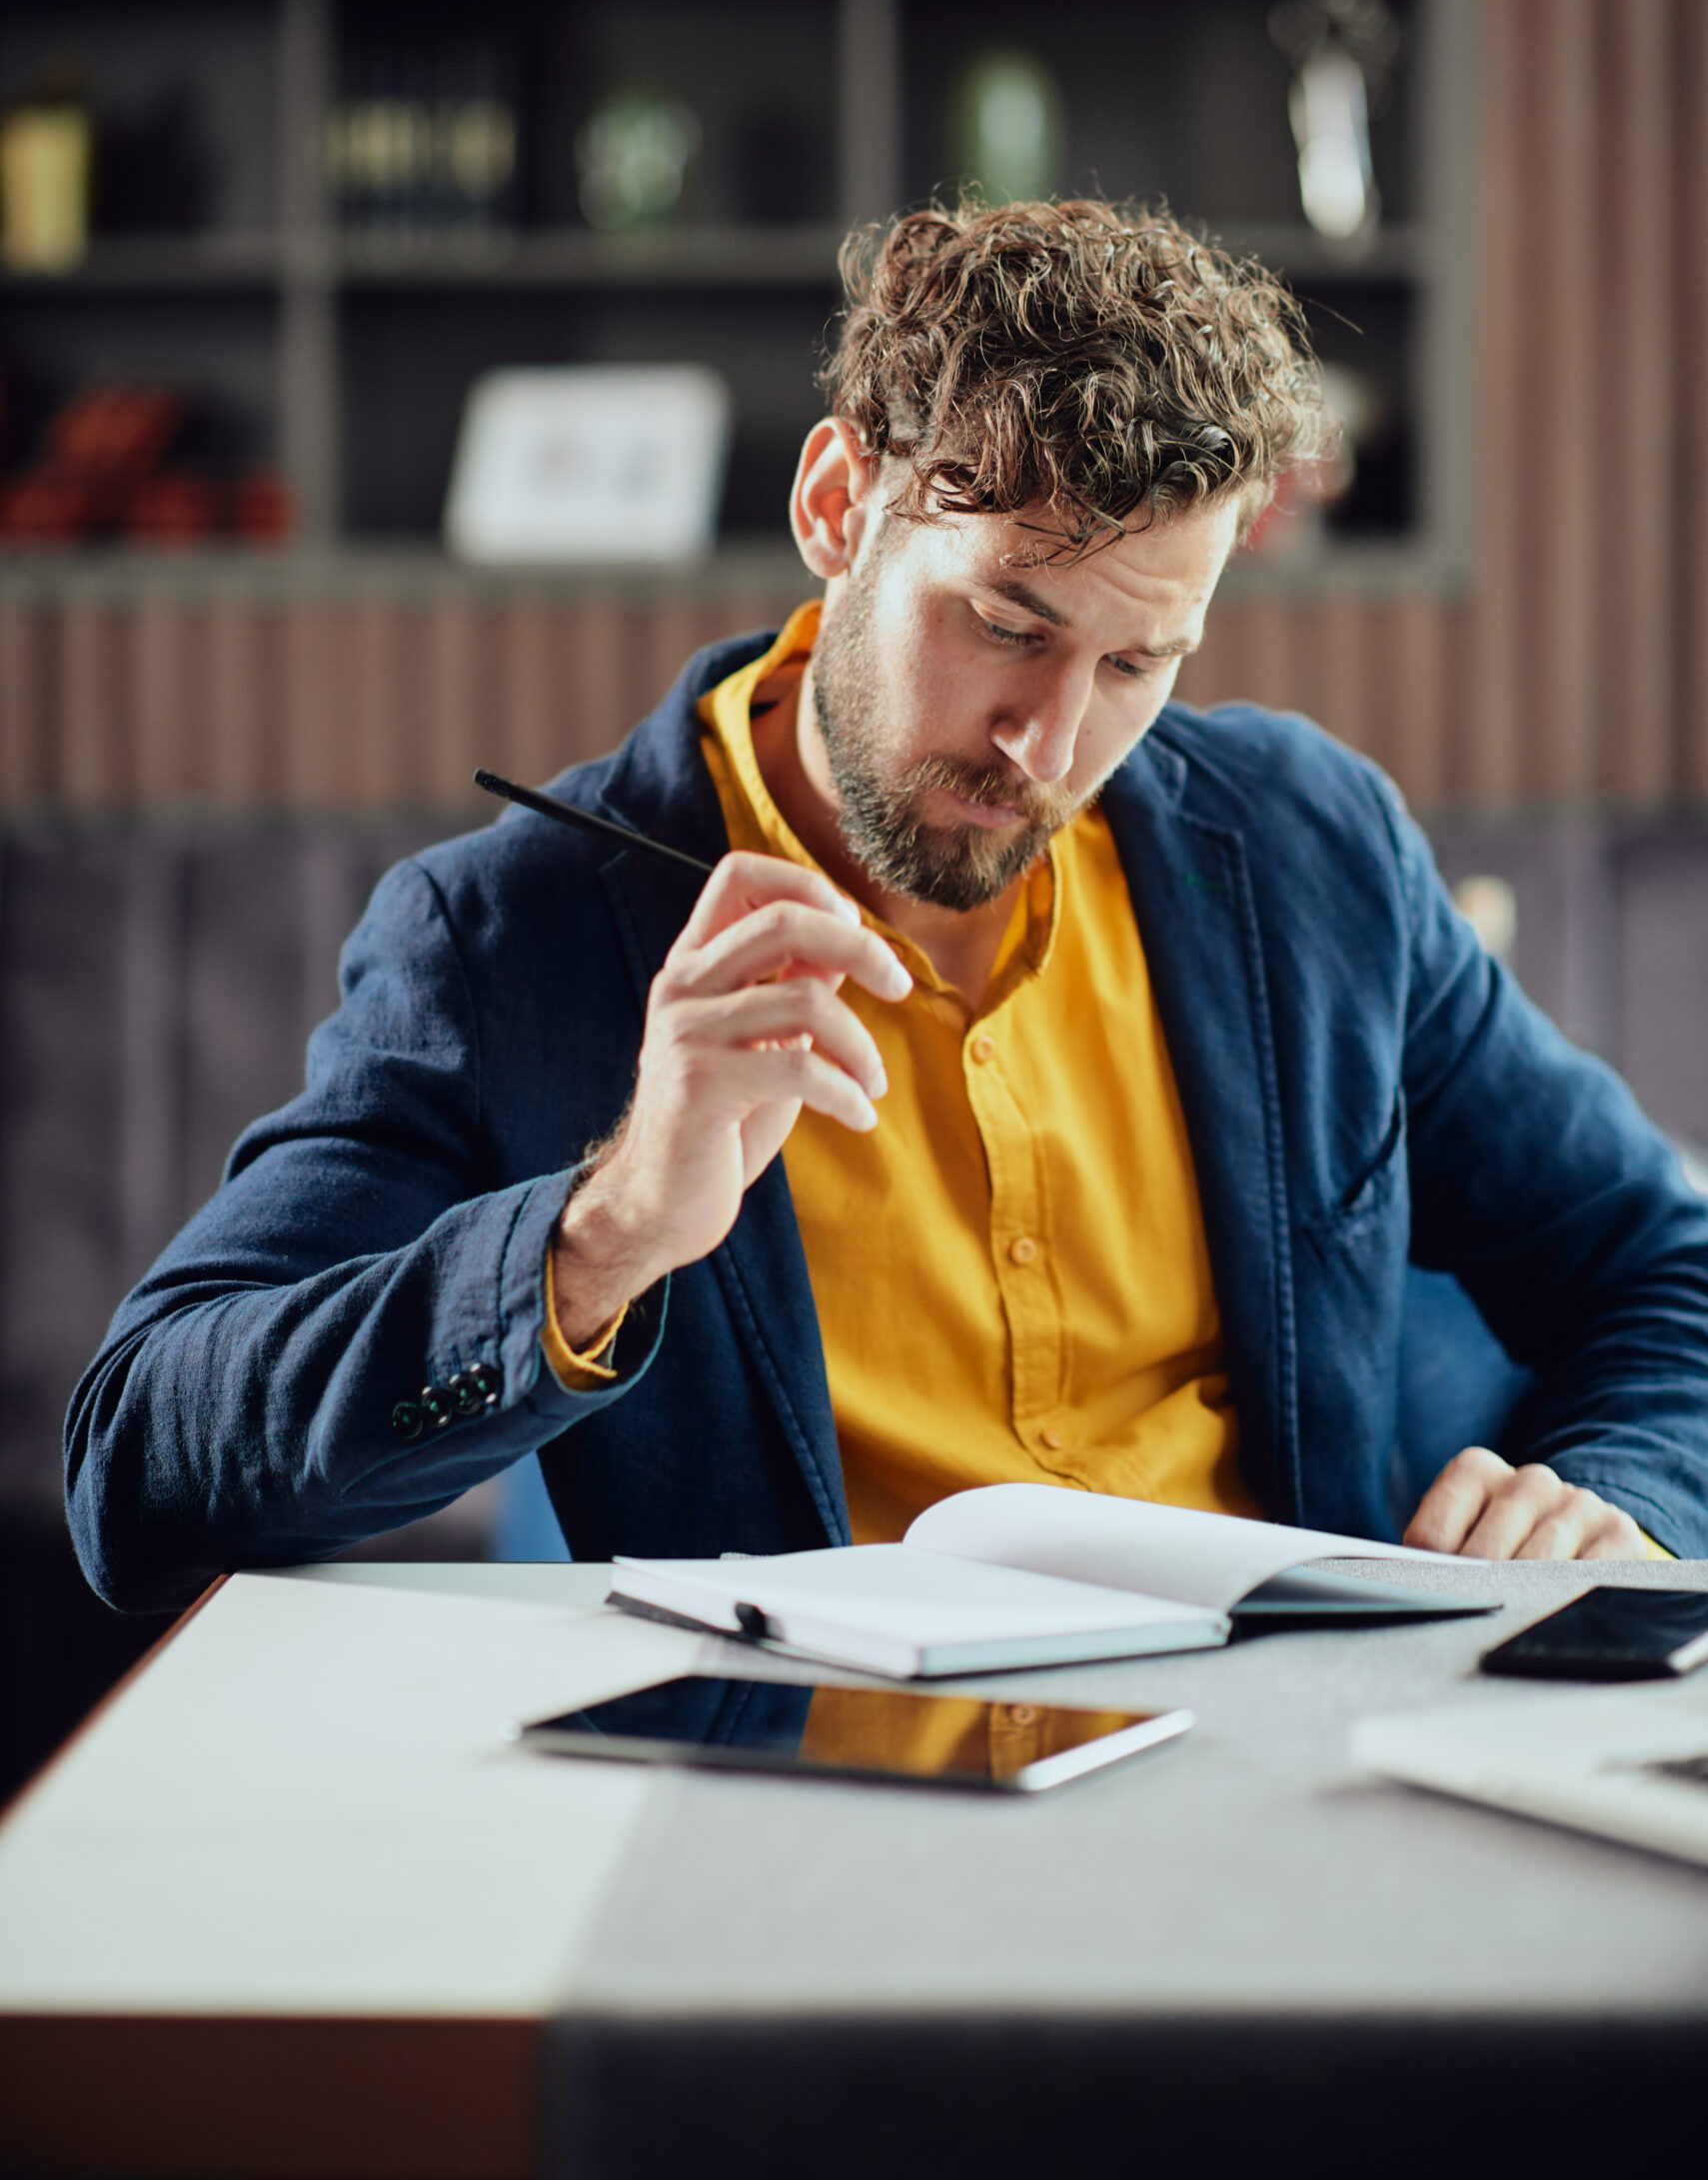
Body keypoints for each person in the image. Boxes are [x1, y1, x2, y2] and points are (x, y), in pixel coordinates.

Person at [68, 201, 1708, 1613]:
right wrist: (605, 1231)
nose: (1050, 745)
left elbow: (1660, 1260)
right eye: (1004, 621)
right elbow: (138, 1469)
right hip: (807, 1799)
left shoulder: (1306, 846)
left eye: (1138, 663)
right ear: (837, 508)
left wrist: (1619, 1494)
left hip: (1290, 1771)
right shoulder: (510, 941)